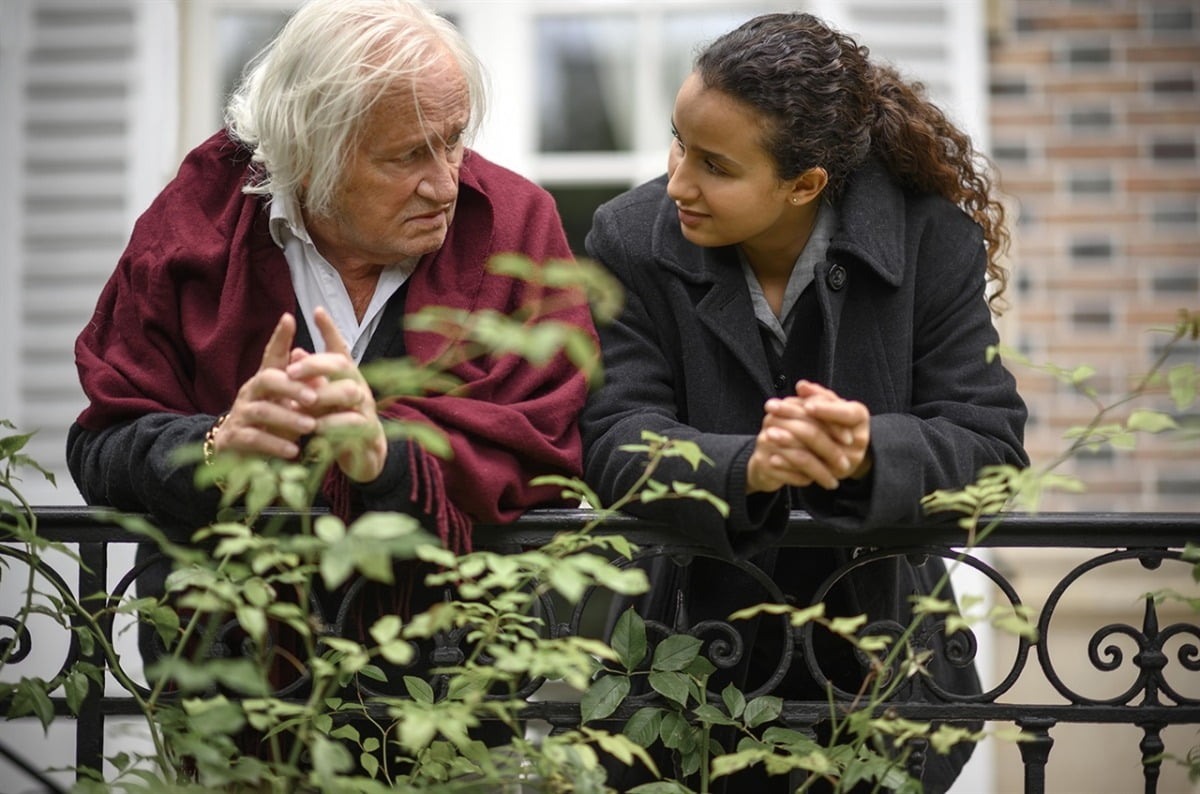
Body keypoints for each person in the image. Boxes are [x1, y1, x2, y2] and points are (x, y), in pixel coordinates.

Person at [580, 12, 1028, 794]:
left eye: (714, 164)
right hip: (676, 684)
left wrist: (866, 452)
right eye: (679, 141)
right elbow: (613, 439)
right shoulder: (627, 238)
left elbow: (989, 446)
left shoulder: (932, 242)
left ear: (805, 184)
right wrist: (746, 465)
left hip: (886, 692)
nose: (678, 180)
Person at [68, 0, 595, 548]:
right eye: (408, 155)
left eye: (453, 140)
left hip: (456, 632)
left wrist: (386, 456)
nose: (444, 186)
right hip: (229, 630)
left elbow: (549, 457)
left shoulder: (514, 224)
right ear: (310, 152)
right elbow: (101, 446)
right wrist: (216, 449)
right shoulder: (195, 222)